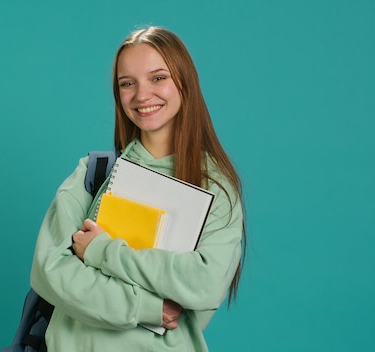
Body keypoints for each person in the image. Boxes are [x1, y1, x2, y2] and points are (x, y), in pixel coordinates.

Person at [30, 26, 246, 351]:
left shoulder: (216, 187)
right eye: (127, 83)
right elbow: (49, 271)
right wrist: (146, 308)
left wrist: (101, 251)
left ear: (184, 82)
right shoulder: (94, 173)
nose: (142, 95)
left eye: (158, 78)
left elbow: (203, 284)